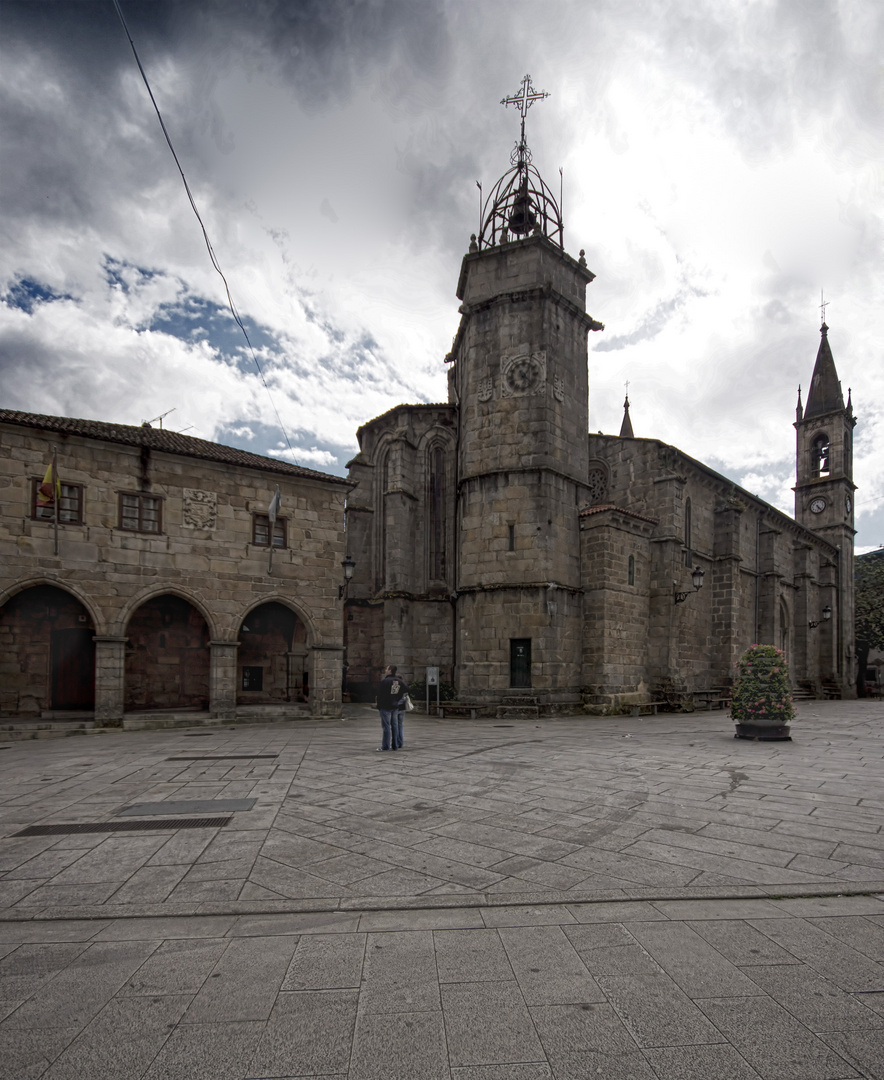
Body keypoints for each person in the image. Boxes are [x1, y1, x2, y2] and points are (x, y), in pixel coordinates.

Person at [375, 664, 408, 751]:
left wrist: (379, 705)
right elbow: (406, 689)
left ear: (390, 670)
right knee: (395, 725)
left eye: (387, 669)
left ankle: (385, 746)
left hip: (385, 706)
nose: (385, 670)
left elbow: (379, 694)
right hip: (395, 705)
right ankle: (395, 745)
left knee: (386, 726)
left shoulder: (385, 681)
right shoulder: (399, 681)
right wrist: (397, 698)